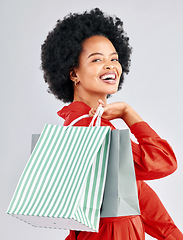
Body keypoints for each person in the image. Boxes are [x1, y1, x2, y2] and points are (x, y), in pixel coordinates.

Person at [41, 8, 183, 240]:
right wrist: (129, 113)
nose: (110, 66)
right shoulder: (93, 130)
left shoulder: (80, 124)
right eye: (97, 59)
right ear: (73, 73)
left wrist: (171, 234)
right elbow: (163, 162)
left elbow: (137, 195)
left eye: (114, 59)